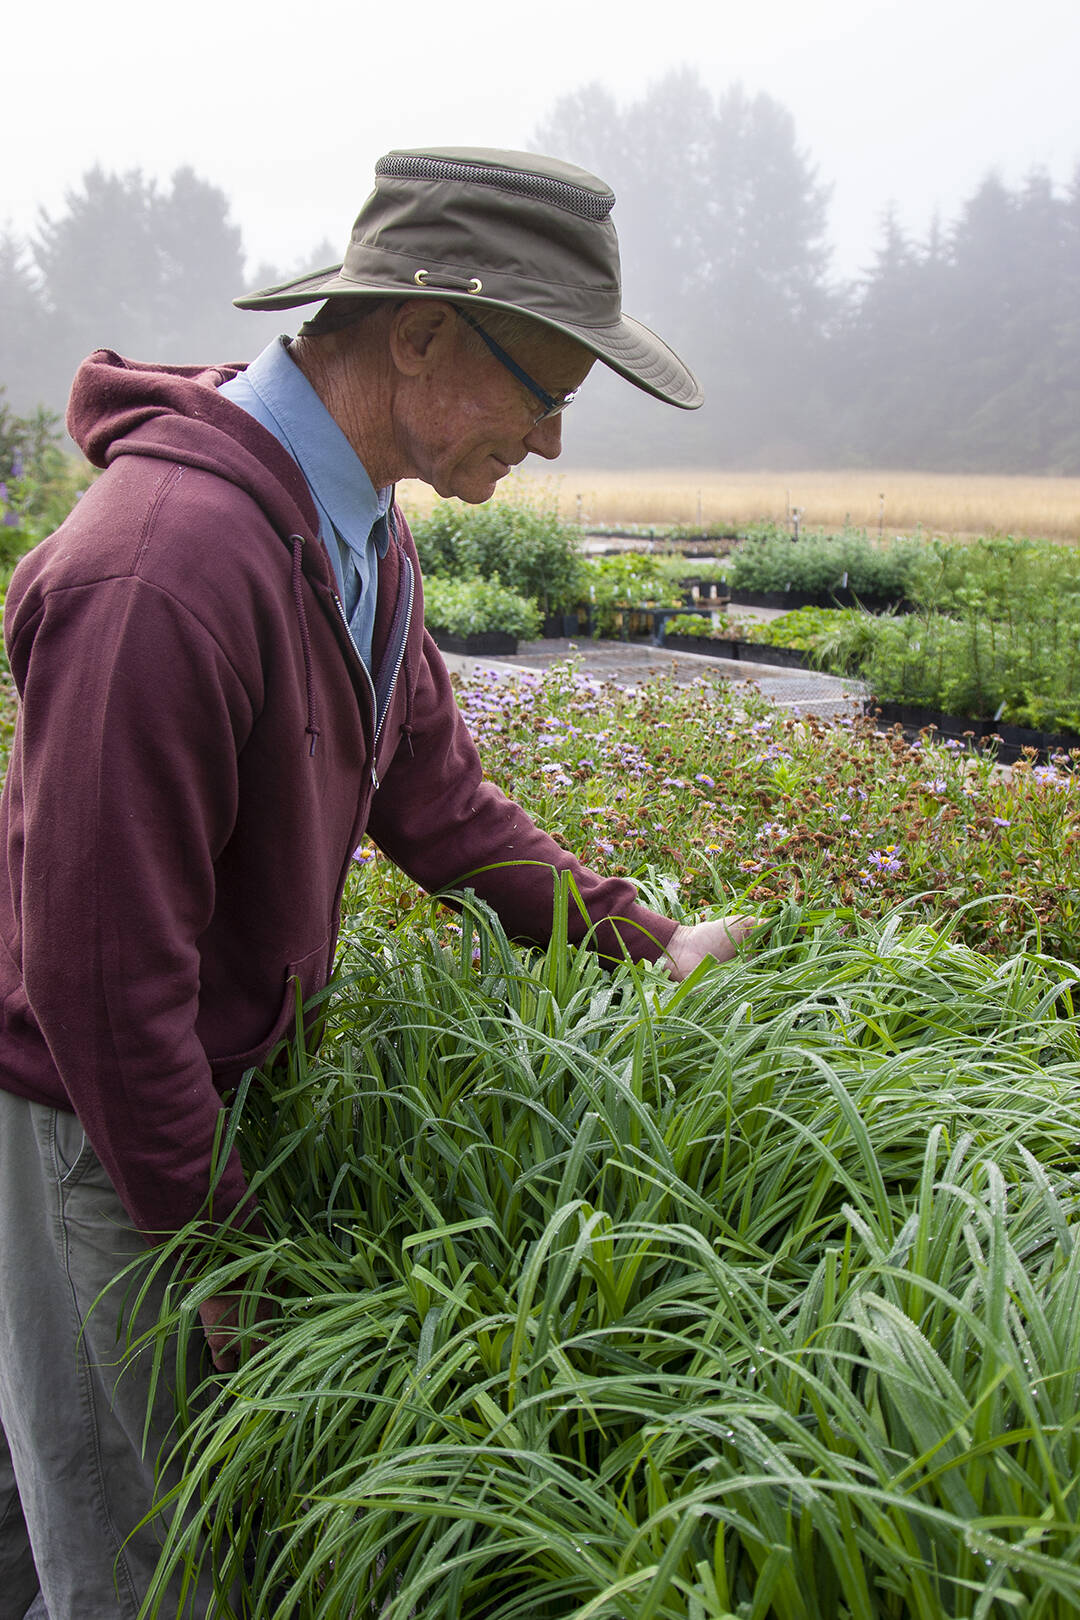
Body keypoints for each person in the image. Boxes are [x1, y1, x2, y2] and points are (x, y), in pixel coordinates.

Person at [0, 146, 755, 1619]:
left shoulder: (348, 528)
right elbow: (100, 980)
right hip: (96, 1117)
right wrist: (211, 1240)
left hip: (198, 1091)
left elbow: (442, 806)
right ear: (417, 335)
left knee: (125, 1482)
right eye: (542, 389)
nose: (545, 443)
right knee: (140, 1544)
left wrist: (649, 945)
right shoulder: (162, 572)